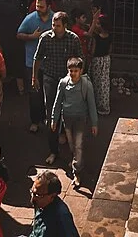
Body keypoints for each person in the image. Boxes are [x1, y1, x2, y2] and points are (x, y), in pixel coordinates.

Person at [33, 11, 82, 165]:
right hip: (50, 78)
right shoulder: (45, 38)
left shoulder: (73, 39)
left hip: (68, 81)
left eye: (58, 25)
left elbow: (80, 60)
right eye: (53, 24)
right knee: (51, 114)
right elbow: (38, 58)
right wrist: (34, 77)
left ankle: (72, 151)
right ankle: (53, 151)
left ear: (65, 26)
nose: (54, 28)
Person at [50, 57, 97, 188]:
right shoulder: (63, 83)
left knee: (78, 145)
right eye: (71, 71)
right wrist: (54, 119)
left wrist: (94, 123)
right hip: (67, 118)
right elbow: (57, 102)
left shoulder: (86, 84)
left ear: (81, 71)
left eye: (76, 71)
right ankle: (75, 160)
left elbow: (92, 104)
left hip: (81, 119)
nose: (73, 73)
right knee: (71, 143)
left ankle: (77, 172)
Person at [17, 0, 54, 133]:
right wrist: (31, 37)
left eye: (41, 6)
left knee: (50, 92)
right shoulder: (30, 18)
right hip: (32, 63)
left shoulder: (55, 19)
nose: (38, 9)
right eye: (37, 6)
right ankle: (35, 121)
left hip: (50, 62)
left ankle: (49, 119)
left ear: (49, 6)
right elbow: (19, 34)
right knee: (34, 94)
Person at [28, 170, 79, 237]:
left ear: (52, 196)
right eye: (32, 192)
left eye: (38, 195)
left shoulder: (62, 217)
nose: (33, 198)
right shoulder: (39, 203)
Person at [89, 14, 113, 116]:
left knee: (96, 82)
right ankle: (104, 105)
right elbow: (110, 50)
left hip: (97, 60)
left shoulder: (96, 37)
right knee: (104, 82)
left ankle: (96, 105)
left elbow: (93, 51)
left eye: (98, 24)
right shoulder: (110, 36)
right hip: (106, 59)